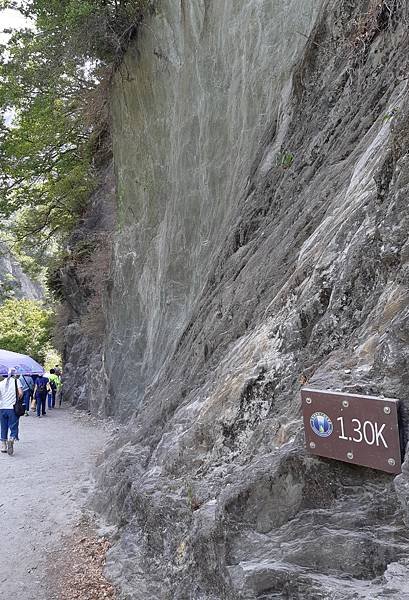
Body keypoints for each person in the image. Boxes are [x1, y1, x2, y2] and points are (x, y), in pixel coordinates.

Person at [0, 368, 23, 455]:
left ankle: (3, 446)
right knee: (14, 426)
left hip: (2, 408)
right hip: (12, 408)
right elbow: (20, 393)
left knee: (3, 426)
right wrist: (17, 398)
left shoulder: (1, 383)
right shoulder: (16, 382)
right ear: (13, 374)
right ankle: (11, 438)